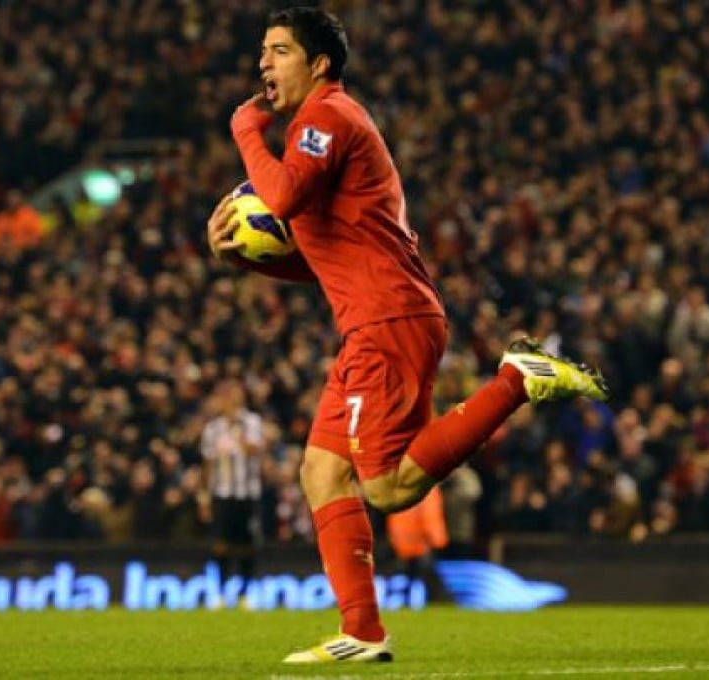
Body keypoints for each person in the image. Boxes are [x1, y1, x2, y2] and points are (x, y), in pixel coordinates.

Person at [206, 7, 607, 663]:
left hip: (387, 322)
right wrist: (241, 257)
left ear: (319, 64)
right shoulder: (323, 128)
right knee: (321, 472)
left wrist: (246, 132)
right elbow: (325, 261)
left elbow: (280, 198)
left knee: (388, 487)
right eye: (263, 51)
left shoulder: (327, 117)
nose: (263, 63)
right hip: (375, 320)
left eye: (278, 50)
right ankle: (362, 632)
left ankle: (517, 380)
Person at [198, 380, 267, 608]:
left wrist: (237, 433)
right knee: (220, 545)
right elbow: (208, 466)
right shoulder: (213, 429)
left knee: (247, 545)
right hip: (222, 494)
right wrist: (203, 497)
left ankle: (244, 594)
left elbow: (254, 451)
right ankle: (219, 592)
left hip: (247, 495)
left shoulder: (252, 423)